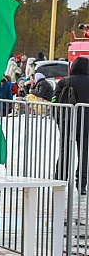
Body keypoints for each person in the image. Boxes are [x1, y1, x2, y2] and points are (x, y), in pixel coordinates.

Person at [54, 57, 89, 193]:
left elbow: (54, 100)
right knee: (84, 155)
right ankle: (82, 185)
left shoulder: (64, 82)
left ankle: (60, 182)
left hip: (67, 123)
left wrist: (59, 120)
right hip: (86, 125)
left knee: (64, 153)